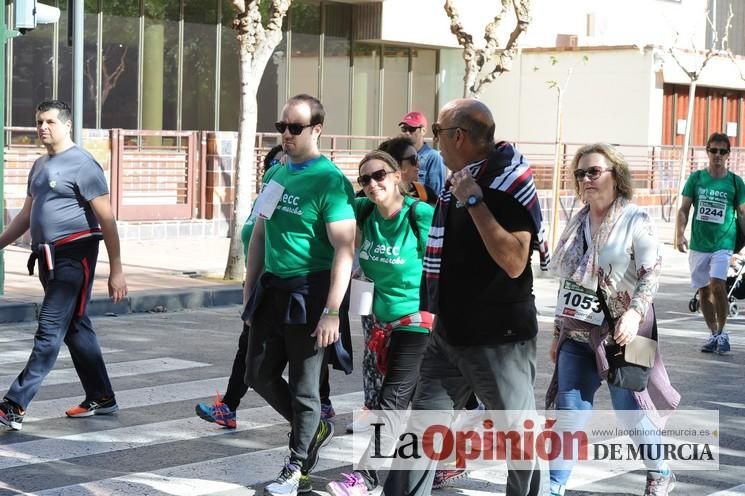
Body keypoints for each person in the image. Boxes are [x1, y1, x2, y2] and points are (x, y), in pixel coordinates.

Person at [383, 99, 550, 496]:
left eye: (438, 133)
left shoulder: (505, 184)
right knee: (421, 432)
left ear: (458, 136)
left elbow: (514, 261)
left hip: (497, 339)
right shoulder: (461, 178)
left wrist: (474, 200)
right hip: (450, 334)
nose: (434, 142)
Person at [547, 143, 681, 496]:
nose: (586, 179)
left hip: (629, 329)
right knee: (569, 408)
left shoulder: (635, 218)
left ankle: (660, 471)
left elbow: (651, 273)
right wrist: (557, 331)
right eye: (580, 173)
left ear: (615, 177)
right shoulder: (577, 223)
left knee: (630, 409)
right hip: (579, 331)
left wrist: (635, 314)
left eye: (594, 171)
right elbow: (569, 283)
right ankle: (554, 486)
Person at [242, 94, 356, 496]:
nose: (286, 135)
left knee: (306, 387)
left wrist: (332, 311)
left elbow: (345, 249)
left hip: (310, 291)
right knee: (256, 372)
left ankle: (296, 466)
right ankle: (314, 428)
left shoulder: (330, 181)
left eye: (295, 127)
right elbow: (259, 233)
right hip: (272, 289)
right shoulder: (277, 174)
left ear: (317, 130)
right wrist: (249, 286)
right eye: (282, 127)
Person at [0, 100, 127, 431]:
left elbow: (107, 219)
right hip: (47, 257)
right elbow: (27, 216)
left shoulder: (83, 164)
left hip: (75, 256)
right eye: (39, 121)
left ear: (67, 125)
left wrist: (116, 269)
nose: (43, 127)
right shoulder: (40, 165)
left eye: (50, 122)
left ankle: (14, 405)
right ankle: (102, 396)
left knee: (49, 328)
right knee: (75, 326)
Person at [326, 151, 435, 496]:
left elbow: (449, 265)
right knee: (398, 402)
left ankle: (367, 478)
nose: (372, 184)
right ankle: (441, 458)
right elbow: (331, 199)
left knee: (391, 400)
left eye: (379, 176)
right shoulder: (365, 212)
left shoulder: (420, 215)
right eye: (365, 180)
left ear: (398, 175)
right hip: (380, 324)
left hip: (418, 323)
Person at [194, 144, 286, 430]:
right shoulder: (268, 196)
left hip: (284, 285)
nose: (276, 170)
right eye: (273, 165)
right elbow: (255, 239)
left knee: (281, 358)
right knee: (248, 351)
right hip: (261, 285)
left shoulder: (299, 193)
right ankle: (229, 407)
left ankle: (315, 410)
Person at [676, 132, 745, 354]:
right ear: (707, 152)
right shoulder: (696, 179)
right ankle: (713, 332)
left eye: (722, 151)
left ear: (728, 155)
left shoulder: (735, 182)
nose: (718, 155)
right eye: (713, 150)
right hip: (699, 244)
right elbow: (684, 210)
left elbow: (742, 212)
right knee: (704, 292)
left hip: (724, 242)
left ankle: (723, 333)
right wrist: (679, 234)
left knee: (718, 285)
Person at [378, 137, 437, 205]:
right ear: (396, 164)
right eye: (413, 160)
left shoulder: (426, 193)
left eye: (418, 159)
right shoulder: (372, 195)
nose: (418, 165)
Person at [399, 111, 447, 195]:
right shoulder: (398, 155)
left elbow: (436, 195)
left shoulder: (433, 157)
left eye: (411, 129)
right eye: (404, 129)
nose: (407, 133)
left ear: (423, 131)